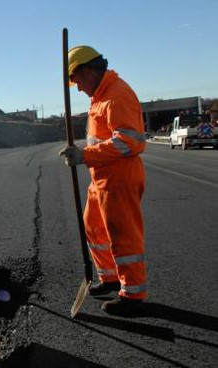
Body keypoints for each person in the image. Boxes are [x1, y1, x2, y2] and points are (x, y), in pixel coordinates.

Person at [59, 46, 148, 316]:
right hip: (100, 178)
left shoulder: (117, 95)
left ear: (87, 71)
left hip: (119, 178)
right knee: (94, 227)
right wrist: (84, 156)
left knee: (123, 235)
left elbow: (129, 142)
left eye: (76, 81)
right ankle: (109, 276)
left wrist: (84, 155)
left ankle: (133, 294)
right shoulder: (99, 96)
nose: (76, 88)